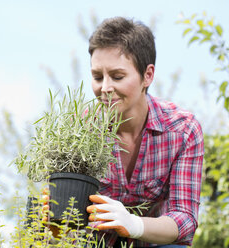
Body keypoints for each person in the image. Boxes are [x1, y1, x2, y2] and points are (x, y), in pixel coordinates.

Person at [85, 17, 204, 248]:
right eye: (98, 77)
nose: (106, 88)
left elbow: (185, 217)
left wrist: (134, 224)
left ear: (147, 75)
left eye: (118, 77)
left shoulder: (182, 130)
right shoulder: (80, 128)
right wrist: (54, 223)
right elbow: (64, 219)